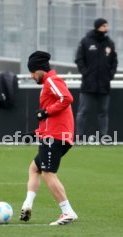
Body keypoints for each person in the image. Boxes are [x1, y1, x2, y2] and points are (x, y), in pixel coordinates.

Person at [19, 51, 78, 225]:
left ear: (40, 70)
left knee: (48, 172)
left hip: (55, 136)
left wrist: (45, 111)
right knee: (34, 169)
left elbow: (67, 98)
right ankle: (27, 204)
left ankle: (67, 212)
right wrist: (36, 133)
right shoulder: (48, 82)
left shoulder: (52, 80)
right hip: (53, 134)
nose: (31, 76)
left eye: (32, 72)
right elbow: (51, 117)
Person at [75, 18, 118, 141]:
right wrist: (86, 73)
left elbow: (114, 61)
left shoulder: (109, 43)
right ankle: (79, 137)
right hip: (88, 84)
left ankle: (104, 137)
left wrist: (110, 74)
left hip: (104, 84)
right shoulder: (86, 41)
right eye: (104, 25)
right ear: (98, 27)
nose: (106, 28)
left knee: (103, 112)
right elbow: (79, 59)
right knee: (83, 111)